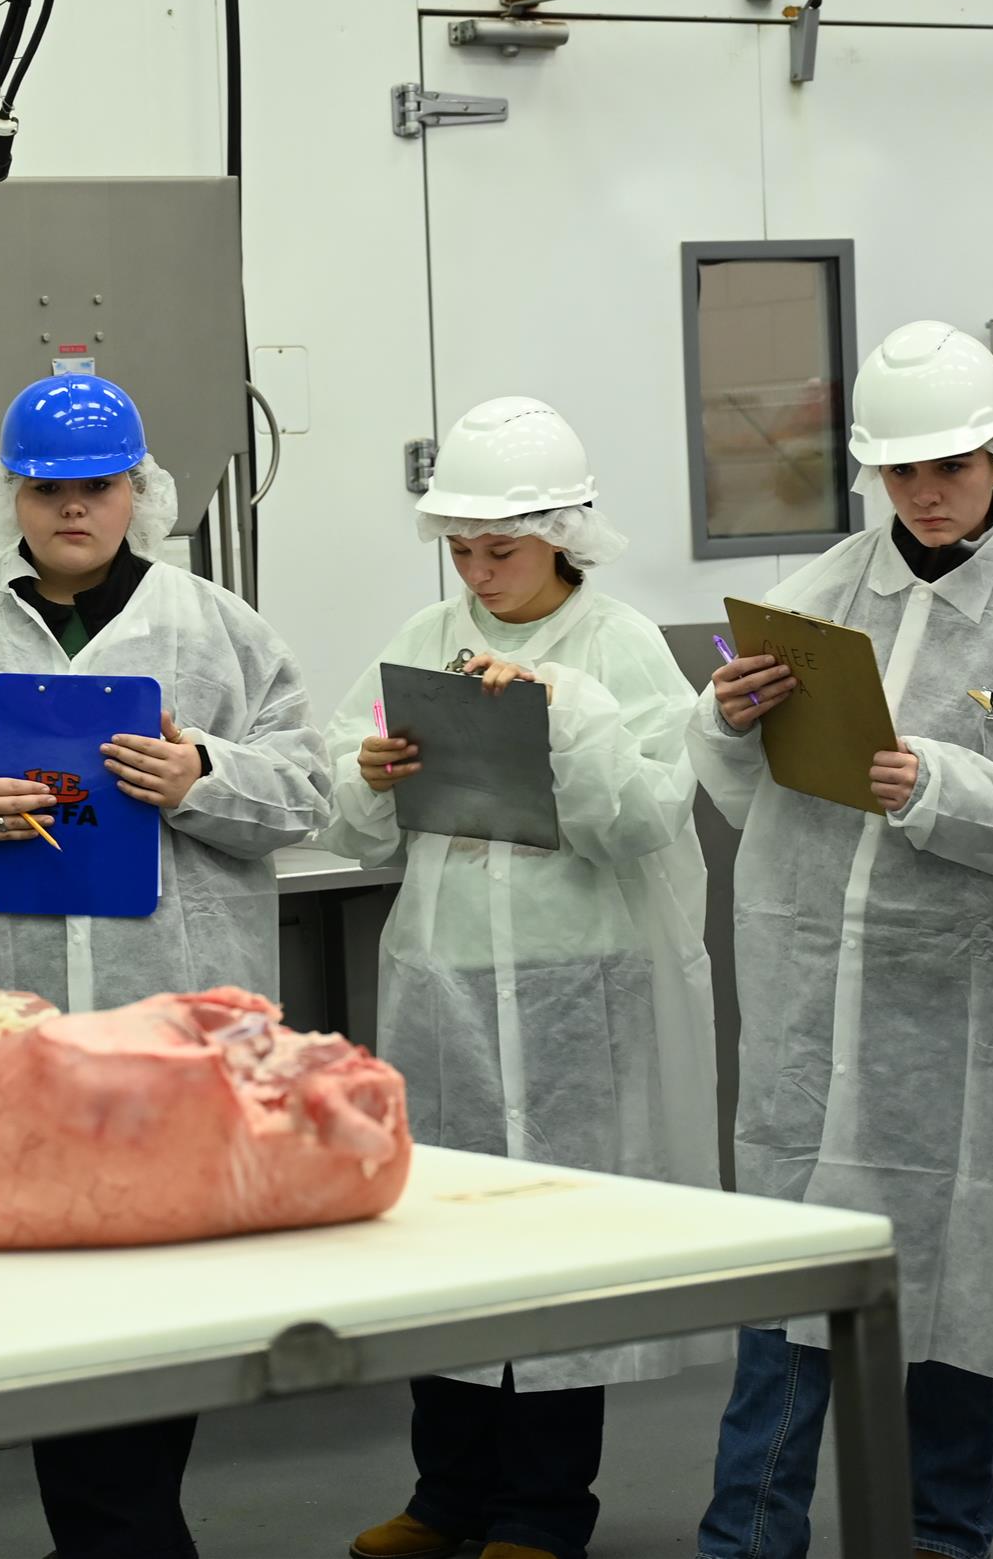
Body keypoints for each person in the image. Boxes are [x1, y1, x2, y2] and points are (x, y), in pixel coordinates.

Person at [0, 372, 330, 1559]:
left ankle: (123, 1535)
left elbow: (310, 787)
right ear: (8, 495)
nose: (72, 509)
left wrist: (205, 775)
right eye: (48, 489)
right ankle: (119, 1535)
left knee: (158, 1289)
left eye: (97, 487)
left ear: (137, 494)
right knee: (46, 1289)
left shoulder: (217, 628)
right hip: (8, 1026)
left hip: (167, 1023)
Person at [691, 322, 993, 1559]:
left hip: (967, 1037)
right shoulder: (818, 597)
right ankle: (745, 1546)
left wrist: (936, 785)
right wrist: (724, 719)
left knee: (956, 1312)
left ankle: (941, 1544)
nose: (927, 492)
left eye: (951, 465)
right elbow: (741, 792)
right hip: (812, 1024)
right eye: (902, 470)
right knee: (786, 1309)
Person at [328, 398, 717, 1559]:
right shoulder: (424, 632)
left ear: (562, 534)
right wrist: (370, 773)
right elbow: (349, 814)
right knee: (447, 1246)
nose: (478, 571)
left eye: (499, 548)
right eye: (460, 548)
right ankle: (445, 1497)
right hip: (445, 981)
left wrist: (568, 718)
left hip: (574, 982)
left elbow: (646, 816)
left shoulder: (620, 647)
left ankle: (543, 1510)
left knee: (557, 1252)